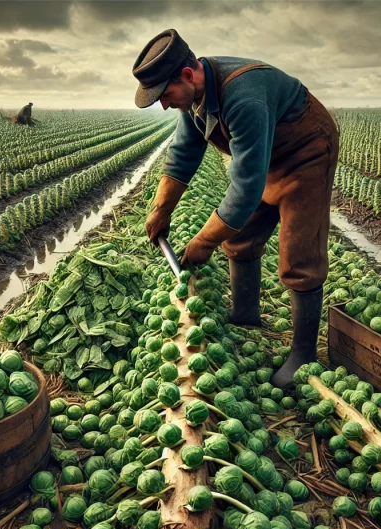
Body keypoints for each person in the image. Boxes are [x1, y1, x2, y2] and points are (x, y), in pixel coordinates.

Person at [133, 29, 339, 388]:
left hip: (305, 152)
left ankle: (304, 355)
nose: (165, 105)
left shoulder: (243, 97)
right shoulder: (195, 98)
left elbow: (245, 189)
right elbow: (182, 156)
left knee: (298, 255)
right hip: (267, 155)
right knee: (240, 237)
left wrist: (204, 241)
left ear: (187, 75)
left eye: (165, 96)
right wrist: (160, 210)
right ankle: (245, 315)